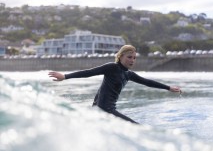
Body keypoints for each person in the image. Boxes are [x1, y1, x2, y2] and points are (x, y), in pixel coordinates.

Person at [48, 45, 181, 124]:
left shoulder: (128, 74)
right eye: (129, 57)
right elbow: (89, 72)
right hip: (104, 110)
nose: (132, 60)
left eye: (134, 58)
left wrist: (168, 88)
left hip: (104, 110)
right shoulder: (111, 67)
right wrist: (65, 76)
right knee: (138, 129)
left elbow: (147, 82)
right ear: (121, 56)